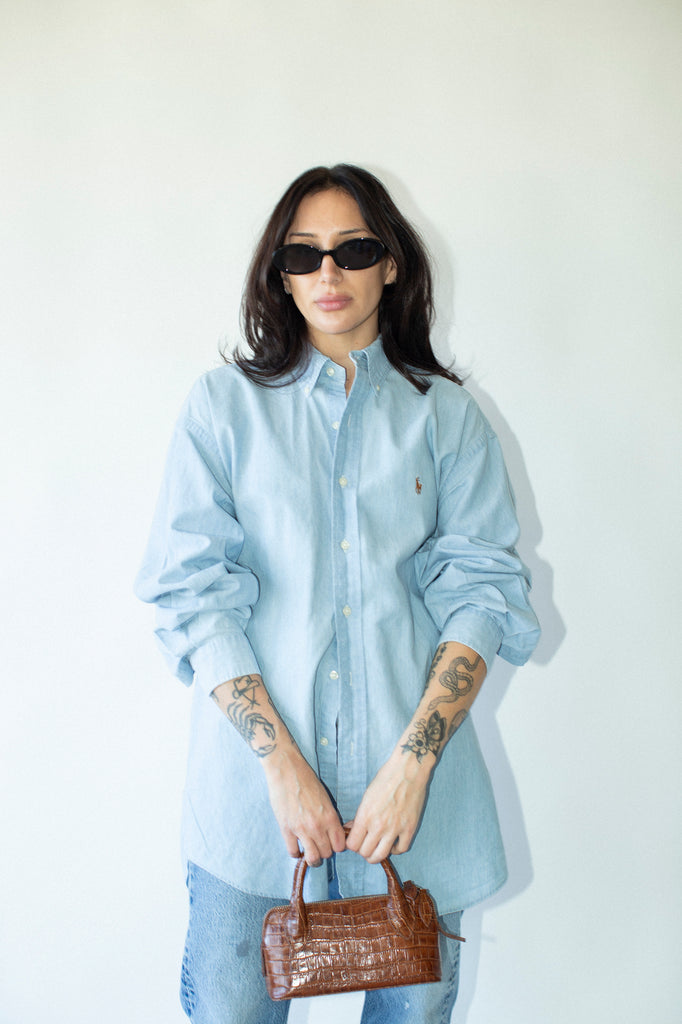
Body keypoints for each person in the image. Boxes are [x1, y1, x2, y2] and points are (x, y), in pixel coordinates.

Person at [135, 164, 540, 1024]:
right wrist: (280, 768)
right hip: (254, 814)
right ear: (278, 272)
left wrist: (413, 767)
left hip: (415, 810)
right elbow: (193, 595)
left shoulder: (449, 419)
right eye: (303, 254)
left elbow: (482, 594)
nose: (328, 274)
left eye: (353, 250)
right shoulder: (220, 411)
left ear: (390, 263)